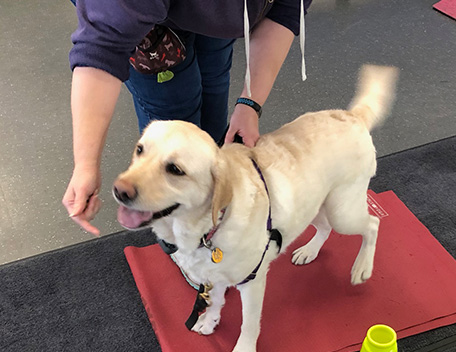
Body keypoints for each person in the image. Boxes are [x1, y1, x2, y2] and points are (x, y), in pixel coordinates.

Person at [63, 0, 312, 236]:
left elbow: (286, 10)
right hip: (129, 18)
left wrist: (249, 102)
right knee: (175, 110)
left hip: (220, 12)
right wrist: (85, 164)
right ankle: (176, 241)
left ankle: (207, 214)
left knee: (213, 84)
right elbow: (103, 46)